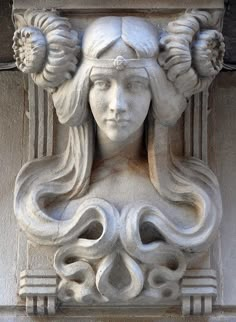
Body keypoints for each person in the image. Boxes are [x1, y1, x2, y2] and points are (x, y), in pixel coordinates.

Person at [15, 16, 221, 254]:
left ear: (156, 91)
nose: (118, 104)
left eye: (135, 84)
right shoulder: (42, 196)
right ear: (82, 90)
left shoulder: (193, 200)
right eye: (102, 83)